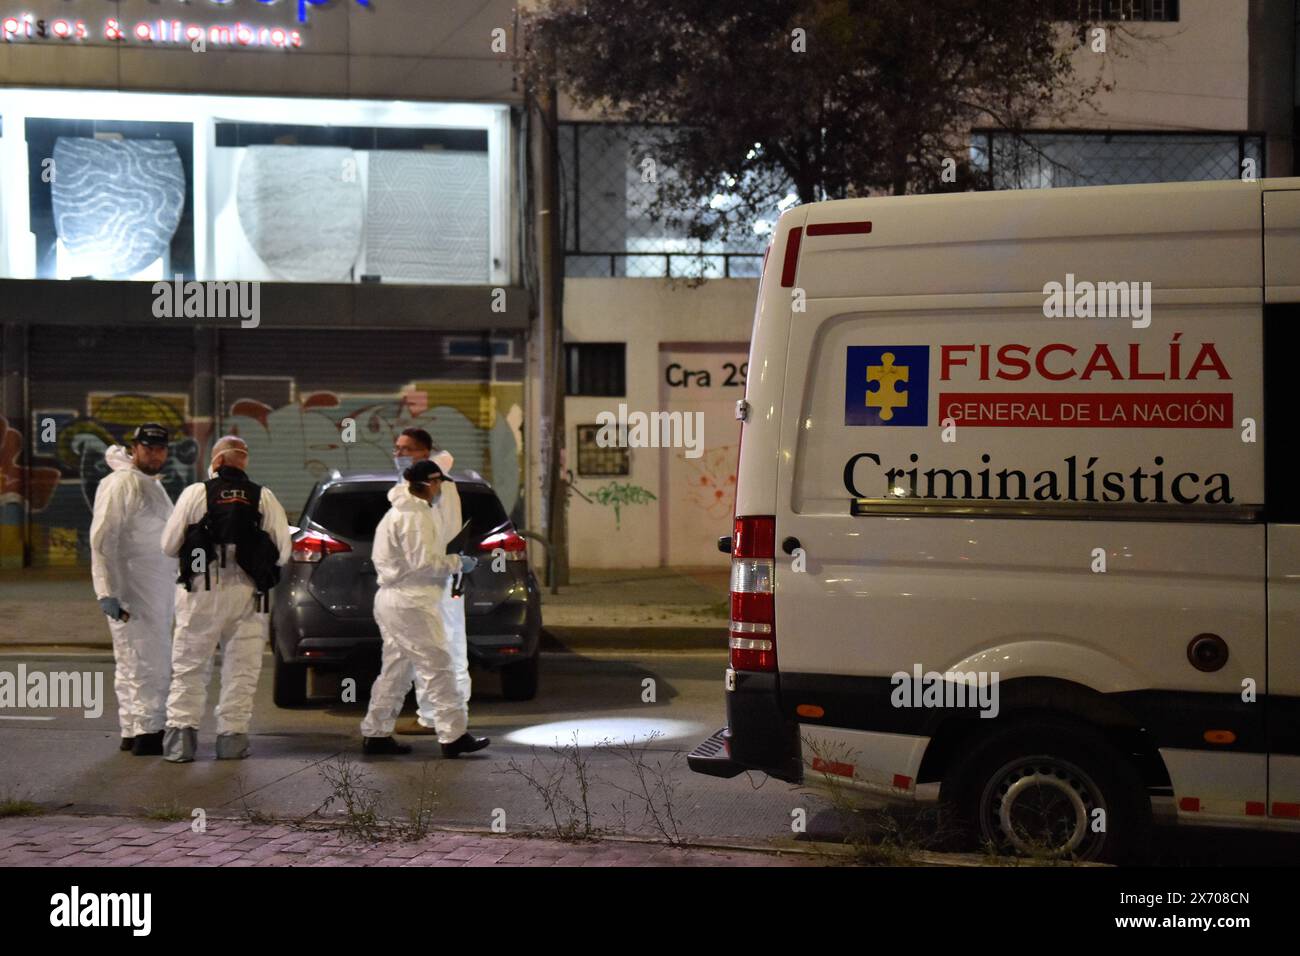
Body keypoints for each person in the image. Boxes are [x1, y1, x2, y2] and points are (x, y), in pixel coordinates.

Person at [159, 435, 291, 762]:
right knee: (241, 671)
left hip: (201, 590)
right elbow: (283, 551)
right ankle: (232, 743)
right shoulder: (263, 496)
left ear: (216, 462)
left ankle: (181, 745)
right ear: (243, 461)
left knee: (189, 667)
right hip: (249, 595)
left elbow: (168, 545)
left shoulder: (195, 493)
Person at [360, 458, 489, 757]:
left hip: (395, 600)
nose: (440, 488)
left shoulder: (397, 513)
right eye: (439, 483)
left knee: (396, 670)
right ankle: (453, 736)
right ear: (430, 483)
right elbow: (425, 563)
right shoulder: (416, 516)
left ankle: (376, 732)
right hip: (412, 602)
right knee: (438, 666)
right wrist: (458, 562)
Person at [88, 423, 176, 756]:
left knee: (132, 661)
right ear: (134, 448)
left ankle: (132, 729)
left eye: (160, 448)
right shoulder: (123, 483)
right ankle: (150, 733)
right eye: (147, 447)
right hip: (135, 589)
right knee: (147, 660)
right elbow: (102, 539)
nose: (154, 454)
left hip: (150, 587)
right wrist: (107, 590)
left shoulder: (145, 483)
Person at [390, 428, 471, 737]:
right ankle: (436, 715)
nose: (398, 454)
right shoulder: (418, 483)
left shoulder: (438, 488)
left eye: (405, 449)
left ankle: (444, 717)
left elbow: (436, 533)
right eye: (396, 448)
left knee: (444, 646)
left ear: (424, 452)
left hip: (438, 577)